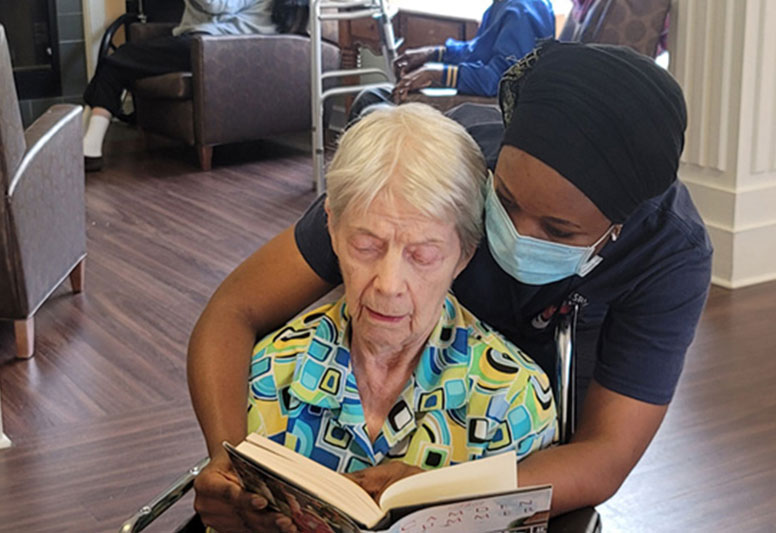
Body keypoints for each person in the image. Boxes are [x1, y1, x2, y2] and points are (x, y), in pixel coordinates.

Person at [188, 39, 712, 519]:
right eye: (503, 202)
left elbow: (606, 455)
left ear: (617, 228)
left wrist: (446, 495)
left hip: (512, 432)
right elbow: (235, 308)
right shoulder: (439, 175)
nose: (515, 235)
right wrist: (230, 463)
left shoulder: (669, 252)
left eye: (557, 229)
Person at [191, 104, 558, 532]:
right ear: (331, 228)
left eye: (423, 256)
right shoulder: (271, 373)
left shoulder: (513, 400)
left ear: (464, 255)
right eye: (366, 246)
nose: (388, 284)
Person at [82, 0, 275, 172]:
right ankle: (84, 142)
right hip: (202, 39)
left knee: (118, 60)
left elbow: (216, 5)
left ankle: (87, 143)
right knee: (117, 62)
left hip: (220, 45)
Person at [349, 0, 554, 120]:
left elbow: (501, 80)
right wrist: (433, 54)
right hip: (477, 99)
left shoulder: (525, 10)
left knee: (372, 113)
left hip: (492, 112)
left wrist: (437, 74)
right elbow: (477, 51)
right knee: (370, 97)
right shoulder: (504, 5)